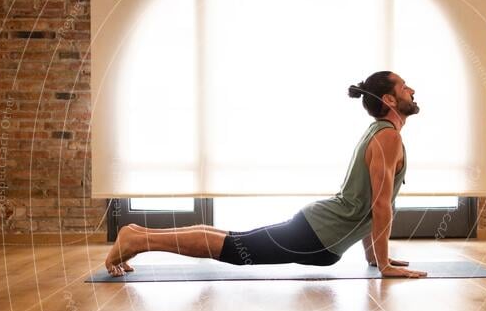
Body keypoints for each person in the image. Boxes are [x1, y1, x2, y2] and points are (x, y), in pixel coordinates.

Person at [104, 71, 428, 278]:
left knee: (234, 240)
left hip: (319, 231)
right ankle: (139, 239)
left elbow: (370, 204)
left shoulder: (381, 132)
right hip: (318, 236)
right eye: (403, 86)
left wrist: (375, 259)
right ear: (389, 99)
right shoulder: (388, 136)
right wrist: (384, 264)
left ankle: (138, 233)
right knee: (233, 249)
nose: (411, 89)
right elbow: (380, 205)